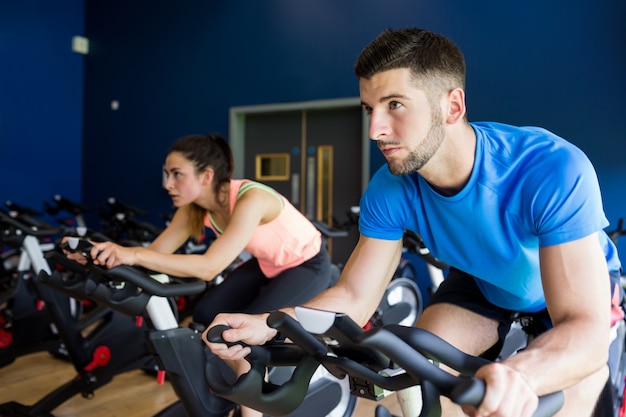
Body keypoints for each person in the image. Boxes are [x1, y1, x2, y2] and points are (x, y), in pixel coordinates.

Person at [203, 27, 623, 417]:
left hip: (567, 296)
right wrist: (270, 323)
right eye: (369, 108)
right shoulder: (390, 189)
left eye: (395, 105)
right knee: (413, 387)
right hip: (485, 284)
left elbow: (582, 327)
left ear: (452, 106)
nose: (375, 130)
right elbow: (354, 295)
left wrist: (523, 374)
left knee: (569, 396)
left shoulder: (549, 168)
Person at [68, 133, 333, 417]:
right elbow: (157, 254)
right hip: (268, 262)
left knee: (241, 334)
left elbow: (210, 267)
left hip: (307, 264)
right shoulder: (193, 208)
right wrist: (101, 255)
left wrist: (132, 254)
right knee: (207, 312)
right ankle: (232, 383)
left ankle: (254, 406)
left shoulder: (252, 197)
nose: (167, 184)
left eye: (176, 174)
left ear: (206, 175)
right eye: (167, 174)